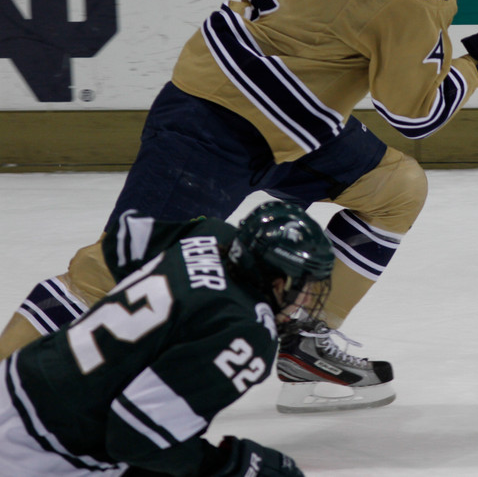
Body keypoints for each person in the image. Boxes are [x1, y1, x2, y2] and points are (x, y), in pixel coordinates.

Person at [0, 0, 478, 412]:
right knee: (115, 271)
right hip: (212, 122)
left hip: (288, 121)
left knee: (397, 190)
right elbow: (415, 114)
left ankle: (304, 343)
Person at [0, 200, 333, 476]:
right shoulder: (246, 333)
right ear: (276, 279)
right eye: (302, 284)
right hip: (45, 447)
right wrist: (231, 465)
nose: (305, 299)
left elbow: (121, 243)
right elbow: (135, 438)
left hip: (17, 376)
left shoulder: (211, 234)